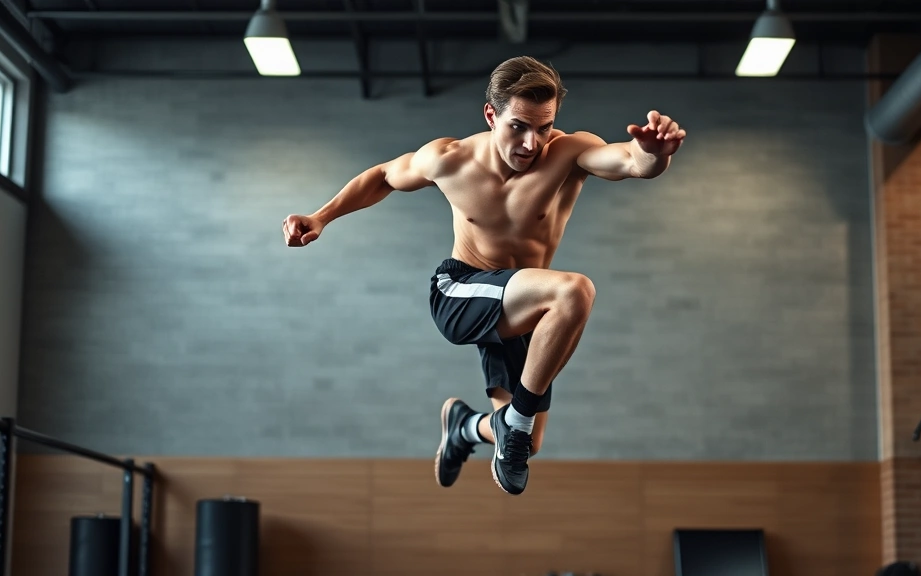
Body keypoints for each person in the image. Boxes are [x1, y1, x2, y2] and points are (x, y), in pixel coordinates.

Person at [282, 55, 686, 496]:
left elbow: (628, 161)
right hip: (459, 291)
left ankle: (466, 427)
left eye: (544, 127)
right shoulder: (450, 159)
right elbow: (383, 176)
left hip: (524, 307)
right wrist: (321, 216)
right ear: (492, 115)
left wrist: (653, 154)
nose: (532, 143)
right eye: (518, 126)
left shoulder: (570, 153)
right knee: (575, 292)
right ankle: (514, 423)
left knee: (527, 442)